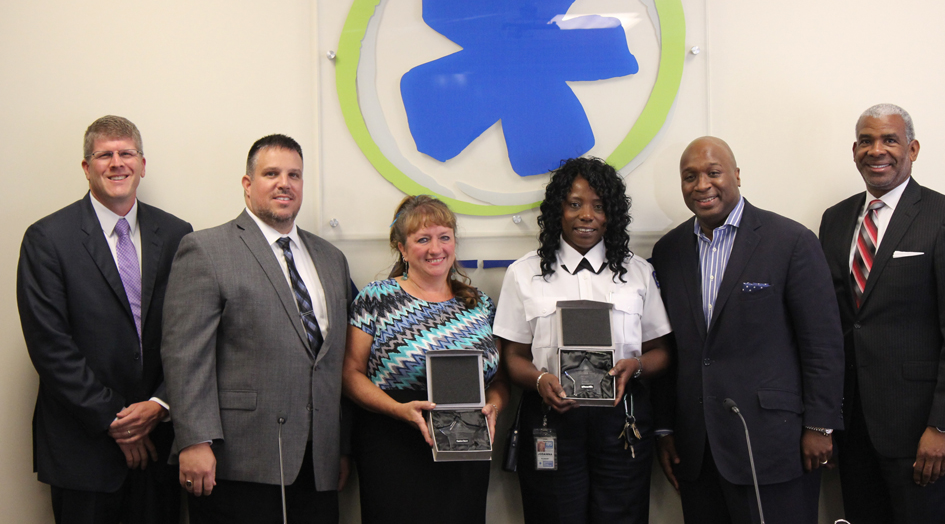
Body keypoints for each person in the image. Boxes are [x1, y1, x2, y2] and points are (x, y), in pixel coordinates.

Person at [161, 134, 353, 524]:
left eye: (294, 175)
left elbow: (335, 362)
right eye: (271, 173)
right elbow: (185, 357)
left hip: (318, 463)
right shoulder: (206, 249)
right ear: (248, 185)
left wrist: (340, 447)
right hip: (236, 460)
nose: (285, 183)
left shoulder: (331, 259)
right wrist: (194, 441)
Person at [651, 136, 843, 524]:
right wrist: (665, 429)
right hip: (697, 447)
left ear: (737, 175)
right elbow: (669, 347)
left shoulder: (790, 242)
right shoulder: (668, 252)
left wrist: (820, 426)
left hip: (774, 444)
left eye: (713, 172)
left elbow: (822, 344)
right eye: (690, 177)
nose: (702, 184)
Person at [818, 104, 945, 524]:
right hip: (854, 430)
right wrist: (825, 422)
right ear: (854, 150)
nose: (877, 150)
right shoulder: (835, 221)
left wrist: (944, 426)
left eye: (889, 139)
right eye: (866, 140)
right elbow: (834, 326)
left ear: (912, 148)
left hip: (921, 433)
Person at [17, 115, 192, 524]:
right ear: (86, 167)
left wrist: (159, 404)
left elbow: (191, 334)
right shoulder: (47, 239)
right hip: (82, 450)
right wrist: (117, 421)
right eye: (104, 155)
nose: (117, 163)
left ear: (143, 165)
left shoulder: (177, 234)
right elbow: (50, 345)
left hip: (160, 443)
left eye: (126, 153)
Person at [494, 157, 671, 524]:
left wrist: (635, 366)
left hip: (622, 420)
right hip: (551, 419)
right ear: (558, 209)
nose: (586, 215)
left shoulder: (639, 273)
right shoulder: (524, 273)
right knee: (553, 515)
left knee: (622, 516)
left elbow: (661, 351)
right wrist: (540, 380)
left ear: (612, 215)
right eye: (575, 204)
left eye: (598, 206)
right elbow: (512, 355)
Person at [342, 195, 508, 524]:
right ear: (402, 249)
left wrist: (495, 407)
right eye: (423, 239)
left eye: (444, 237)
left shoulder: (479, 304)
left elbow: (499, 380)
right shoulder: (377, 298)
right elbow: (350, 374)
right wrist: (398, 409)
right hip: (394, 441)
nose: (436, 248)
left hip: (465, 444)